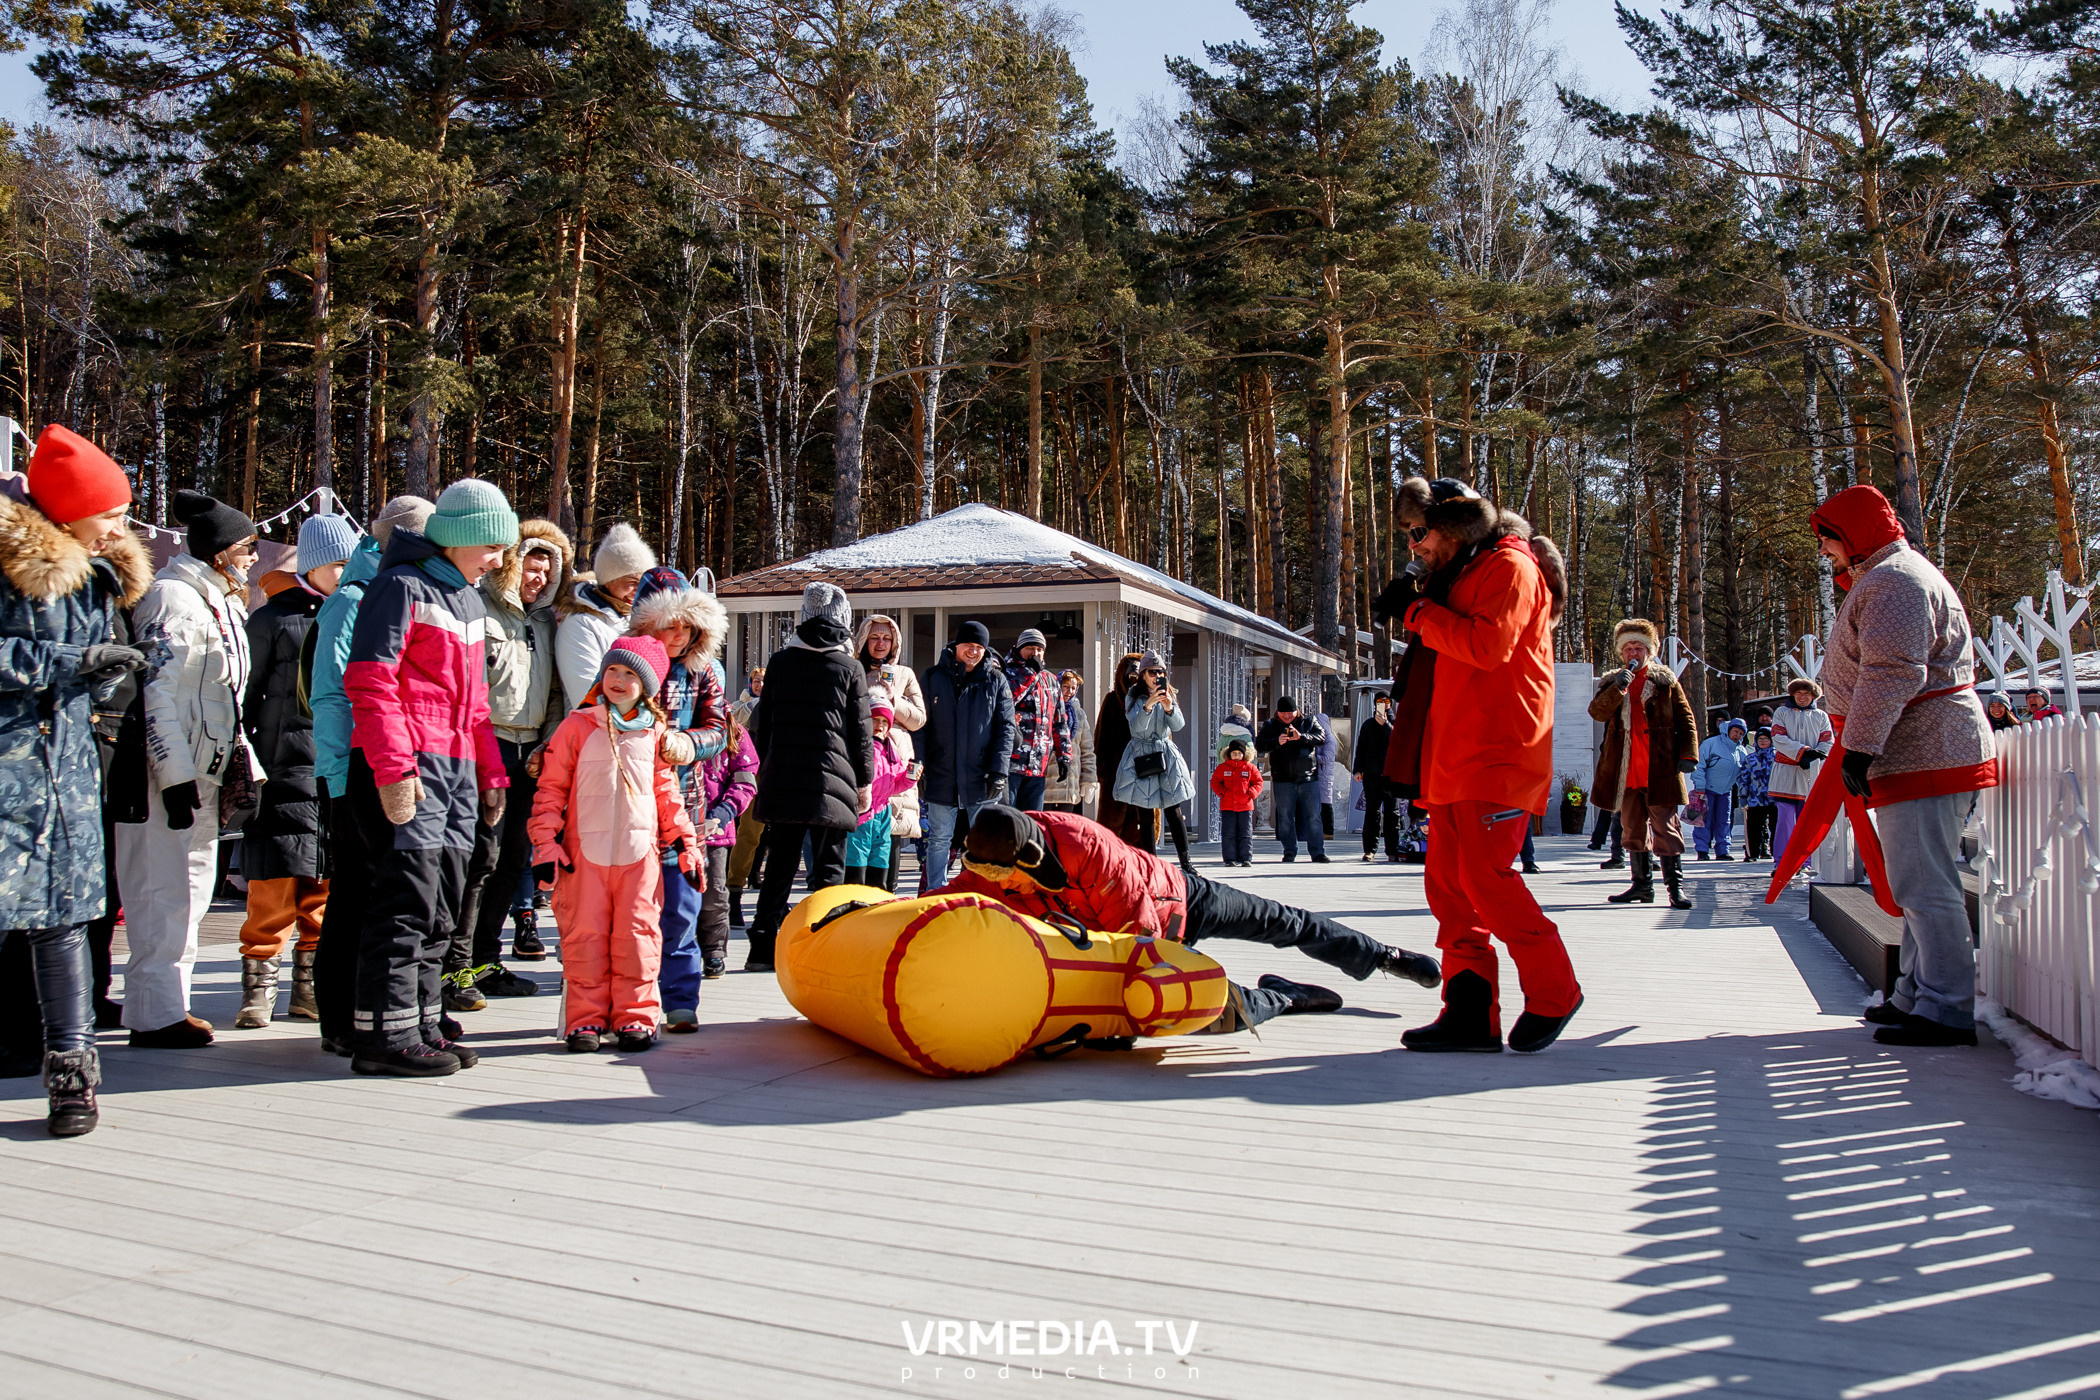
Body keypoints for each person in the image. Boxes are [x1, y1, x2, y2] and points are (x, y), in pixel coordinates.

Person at [1376, 474, 1584, 1053]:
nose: (1414, 545)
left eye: (1420, 533)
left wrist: (1416, 612)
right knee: (1448, 886)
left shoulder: (1510, 568)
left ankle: (1555, 989)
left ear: (1453, 526)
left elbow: (1488, 647)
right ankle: (1469, 1011)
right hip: (1453, 755)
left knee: (1486, 880)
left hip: (1498, 751)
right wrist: (1420, 604)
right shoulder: (1463, 572)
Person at [954, 806, 1441, 1028]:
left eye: (1009, 879)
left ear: (1031, 859)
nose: (1003, 888)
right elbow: (947, 901)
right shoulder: (989, 865)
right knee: (1220, 1014)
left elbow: (1138, 938)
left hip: (1177, 902)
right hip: (1127, 939)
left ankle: (1384, 956)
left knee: (1286, 922)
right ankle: (1283, 997)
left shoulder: (1087, 848)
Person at [0, 425, 151, 1134]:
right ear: (69, 510)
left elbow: (85, 678)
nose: (121, 529)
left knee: (64, 927)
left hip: (68, 780)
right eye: (111, 515)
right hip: (9, 782)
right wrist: (70, 662)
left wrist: (114, 670)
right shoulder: (9, 569)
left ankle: (73, 1078)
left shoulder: (98, 580)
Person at [1809, 485, 1999, 1048]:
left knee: (1925, 883)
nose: (1824, 553)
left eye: (1828, 540)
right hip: (1914, 749)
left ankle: (1945, 1008)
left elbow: (1892, 671)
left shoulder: (1896, 583)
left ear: (1853, 535)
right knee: (1913, 880)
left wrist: (1861, 746)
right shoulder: (1889, 578)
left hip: (1923, 750)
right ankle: (1916, 993)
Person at [342, 479, 515, 1077]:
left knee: (442, 904)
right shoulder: (399, 587)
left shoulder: (467, 600)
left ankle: (418, 1022)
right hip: (410, 767)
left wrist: (492, 775)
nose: (498, 561)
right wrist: (392, 768)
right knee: (405, 902)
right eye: (492, 547)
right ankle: (382, 1035)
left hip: (459, 771)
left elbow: (476, 708)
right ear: (461, 538)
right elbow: (369, 679)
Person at [116, 488, 258, 1049]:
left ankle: (171, 1003)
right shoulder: (173, 599)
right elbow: (159, 694)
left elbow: (226, 694)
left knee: (193, 889)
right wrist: (172, 776)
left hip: (207, 770)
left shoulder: (218, 600)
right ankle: (153, 1013)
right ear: (220, 551)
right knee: (161, 890)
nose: (251, 556)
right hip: (166, 777)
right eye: (246, 547)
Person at [528, 634, 699, 1051]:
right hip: (584, 855)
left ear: (648, 686)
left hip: (639, 858)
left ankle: (635, 1016)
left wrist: (685, 842)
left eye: (630, 674)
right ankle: (585, 1019)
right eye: (612, 670)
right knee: (583, 936)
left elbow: (667, 795)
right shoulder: (576, 726)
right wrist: (546, 844)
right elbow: (550, 791)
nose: (618, 680)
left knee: (637, 936)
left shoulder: (655, 735)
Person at [310, 495, 433, 1055]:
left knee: (371, 890)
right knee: (355, 893)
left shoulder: (398, 591)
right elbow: (332, 696)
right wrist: (338, 778)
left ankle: (362, 1012)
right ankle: (337, 1017)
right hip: (354, 768)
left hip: (382, 763)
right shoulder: (352, 600)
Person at [232, 512, 356, 1028]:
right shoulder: (272, 619)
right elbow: (246, 692)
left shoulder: (352, 613)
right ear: (314, 566)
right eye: (339, 563)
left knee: (322, 884)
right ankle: (259, 986)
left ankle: (307, 986)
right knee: (274, 883)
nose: (349, 571)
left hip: (331, 768)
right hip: (282, 767)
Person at [459, 517, 571, 983]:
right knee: (478, 858)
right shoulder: (479, 609)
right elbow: (470, 687)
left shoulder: (546, 623)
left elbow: (552, 696)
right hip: (487, 748)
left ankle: (486, 960)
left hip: (531, 756)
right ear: (510, 564)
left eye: (548, 572)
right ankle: (455, 964)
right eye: (531, 567)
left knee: (512, 862)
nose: (539, 579)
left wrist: (547, 743)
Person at [746, 582, 876, 970]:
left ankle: (762, 949)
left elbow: (762, 725)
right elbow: (861, 731)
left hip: (784, 780)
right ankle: (825, 949)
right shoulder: (850, 668)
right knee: (829, 869)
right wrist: (864, 781)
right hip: (833, 783)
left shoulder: (781, 663)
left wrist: (765, 769)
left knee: (780, 867)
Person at [622, 569, 729, 1027]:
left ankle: (681, 999)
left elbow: (721, 729)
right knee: (633, 912)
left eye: (687, 625)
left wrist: (690, 742)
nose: (679, 635)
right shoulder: (622, 667)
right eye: (669, 624)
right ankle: (632, 1002)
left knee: (682, 910)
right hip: (628, 807)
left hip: (685, 809)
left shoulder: (703, 671)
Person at [1591, 620, 1698, 910]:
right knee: (1632, 829)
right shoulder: (1612, 681)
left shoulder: (1665, 681)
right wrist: (1618, 688)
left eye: (1638, 647)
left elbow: (1686, 720)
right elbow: (1597, 712)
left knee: (1666, 828)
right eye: (1628, 648)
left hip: (1659, 769)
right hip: (1625, 770)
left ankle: (1675, 889)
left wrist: (1689, 755)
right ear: (1621, 653)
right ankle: (1641, 886)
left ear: (1649, 651)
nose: (1633, 653)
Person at [918, 620, 1014, 892]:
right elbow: (921, 726)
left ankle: (984, 892)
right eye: (968, 646)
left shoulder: (996, 680)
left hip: (981, 776)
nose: (973, 651)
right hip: (941, 773)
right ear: (956, 646)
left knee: (984, 841)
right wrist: (920, 763)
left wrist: (998, 771)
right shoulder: (933, 677)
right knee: (938, 839)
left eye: (979, 647)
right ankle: (935, 892)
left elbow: (1006, 728)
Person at [690, 707, 759, 993]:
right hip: (674, 826)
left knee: (714, 893)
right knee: (676, 894)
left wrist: (724, 813)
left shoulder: (735, 733)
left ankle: (714, 949)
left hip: (714, 828)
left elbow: (745, 778)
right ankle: (680, 948)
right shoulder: (679, 726)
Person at [856, 614, 926, 885]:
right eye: (874, 637)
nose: (881, 643)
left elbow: (919, 718)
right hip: (861, 753)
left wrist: (893, 700)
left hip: (894, 756)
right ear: (864, 640)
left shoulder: (904, 674)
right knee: (860, 828)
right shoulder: (854, 670)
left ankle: (889, 890)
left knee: (893, 828)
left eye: (887, 638)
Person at [555, 521, 655, 710]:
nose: (639, 590)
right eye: (632, 581)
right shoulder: (580, 625)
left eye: (644, 582)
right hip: (592, 732)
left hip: (634, 731)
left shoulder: (636, 621)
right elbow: (586, 696)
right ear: (609, 580)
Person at [1115, 650, 1196, 871]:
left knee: (1174, 810)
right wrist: (1148, 705)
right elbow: (1136, 727)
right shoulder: (1134, 695)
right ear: (1142, 675)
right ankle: (1151, 864)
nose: (1156, 675)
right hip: (1141, 754)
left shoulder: (1168, 692)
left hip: (1166, 754)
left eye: (1160, 671)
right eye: (1152, 671)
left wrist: (1169, 706)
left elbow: (1178, 725)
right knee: (1146, 812)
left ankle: (1186, 863)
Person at [844, 695, 918, 886]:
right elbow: (862, 773)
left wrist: (909, 778)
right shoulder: (861, 746)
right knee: (857, 855)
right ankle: (853, 895)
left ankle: (877, 894)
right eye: (875, 719)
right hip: (862, 811)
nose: (880, 725)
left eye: (885, 721)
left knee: (880, 856)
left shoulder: (890, 750)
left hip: (883, 812)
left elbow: (894, 784)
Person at [1770, 677, 1834, 878]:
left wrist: (1817, 755)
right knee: (1785, 820)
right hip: (1786, 776)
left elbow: (1827, 740)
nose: (1803, 698)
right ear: (1793, 695)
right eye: (1799, 694)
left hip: (1810, 775)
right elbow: (1778, 737)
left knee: (1806, 821)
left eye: (1806, 694)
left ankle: (1804, 862)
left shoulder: (1821, 716)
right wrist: (1802, 752)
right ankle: (1782, 861)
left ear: (1813, 696)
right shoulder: (1782, 713)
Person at [1004, 627, 1072, 813]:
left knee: (1033, 823)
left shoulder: (1050, 680)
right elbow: (1005, 703)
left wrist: (1064, 756)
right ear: (1019, 649)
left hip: (1038, 765)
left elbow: (1059, 722)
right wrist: (1029, 674)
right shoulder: (1005, 674)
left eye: (1039, 649)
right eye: (1030, 648)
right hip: (1010, 763)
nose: (1035, 653)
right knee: (1008, 821)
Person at [1255, 696, 1328, 862]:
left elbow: (1321, 738)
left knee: (1313, 816)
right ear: (1277, 712)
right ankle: (1289, 851)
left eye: (1290, 713)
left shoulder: (1309, 721)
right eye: (1283, 713)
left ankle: (1317, 852)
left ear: (1297, 711)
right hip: (1282, 779)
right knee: (1285, 816)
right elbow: (1259, 744)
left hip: (1308, 777)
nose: (1287, 717)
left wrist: (1301, 737)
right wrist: (1276, 741)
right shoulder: (1270, 725)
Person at [1093, 652, 1152, 848]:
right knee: (1111, 826)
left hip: (1145, 770)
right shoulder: (1112, 700)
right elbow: (1100, 740)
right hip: (1116, 774)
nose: (1133, 679)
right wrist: (1102, 772)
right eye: (1129, 674)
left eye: (1137, 674)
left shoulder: (1151, 700)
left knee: (1142, 826)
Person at [725, 664, 766, 926]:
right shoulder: (744, 706)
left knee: (780, 839)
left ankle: (775, 897)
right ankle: (733, 892)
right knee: (748, 834)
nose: (761, 685)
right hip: (753, 772)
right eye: (757, 680)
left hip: (781, 773)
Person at [1693, 717, 1749, 862]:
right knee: (1704, 820)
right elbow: (1699, 765)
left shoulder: (1741, 751)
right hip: (1706, 790)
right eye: (1736, 731)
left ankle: (1723, 850)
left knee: (1724, 821)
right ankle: (1702, 849)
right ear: (1729, 729)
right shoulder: (1711, 743)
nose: (1737, 735)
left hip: (1726, 791)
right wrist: (1699, 786)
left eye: (1741, 734)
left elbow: (1744, 774)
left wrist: (1745, 791)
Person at [1352, 692, 1399, 862]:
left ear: (1390, 703)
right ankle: (1369, 850)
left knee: (1393, 814)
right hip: (1372, 775)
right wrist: (1357, 770)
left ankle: (1392, 850)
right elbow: (1361, 748)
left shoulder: (1396, 722)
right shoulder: (1368, 724)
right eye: (1380, 701)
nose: (1384, 704)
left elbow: (1398, 741)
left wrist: (1386, 724)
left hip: (1391, 775)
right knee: (1372, 813)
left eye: (1386, 701)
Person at [1042, 670, 1097, 816]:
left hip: (1070, 786)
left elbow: (1087, 750)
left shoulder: (1079, 714)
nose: (1069, 691)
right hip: (1046, 784)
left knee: (1065, 830)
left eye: (1073, 688)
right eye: (1065, 686)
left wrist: (1089, 779)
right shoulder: (1046, 708)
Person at [1210, 740, 1263, 866]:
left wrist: (1251, 793)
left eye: (1239, 753)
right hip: (1228, 806)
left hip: (1245, 806)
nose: (1237, 756)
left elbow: (1258, 782)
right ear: (1229, 753)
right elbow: (1215, 782)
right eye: (1234, 753)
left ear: (1244, 754)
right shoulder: (1223, 768)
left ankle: (1245, 858)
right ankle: (1229, 858)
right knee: (1229, 833)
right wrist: (1222, 792)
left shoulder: (1250, 768)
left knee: (1245, 833)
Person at [1742, 728, 1777, 860]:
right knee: (1754, 826)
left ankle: (1776, 851)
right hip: (1755, 798)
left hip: (1774, 798)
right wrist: (1743, 795)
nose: (1763, 741)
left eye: (1766, 739)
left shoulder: (1777, 757)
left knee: (1775, 826)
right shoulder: (1750, 758)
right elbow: (1744, 778)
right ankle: (1752, 853)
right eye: (1760, 739)